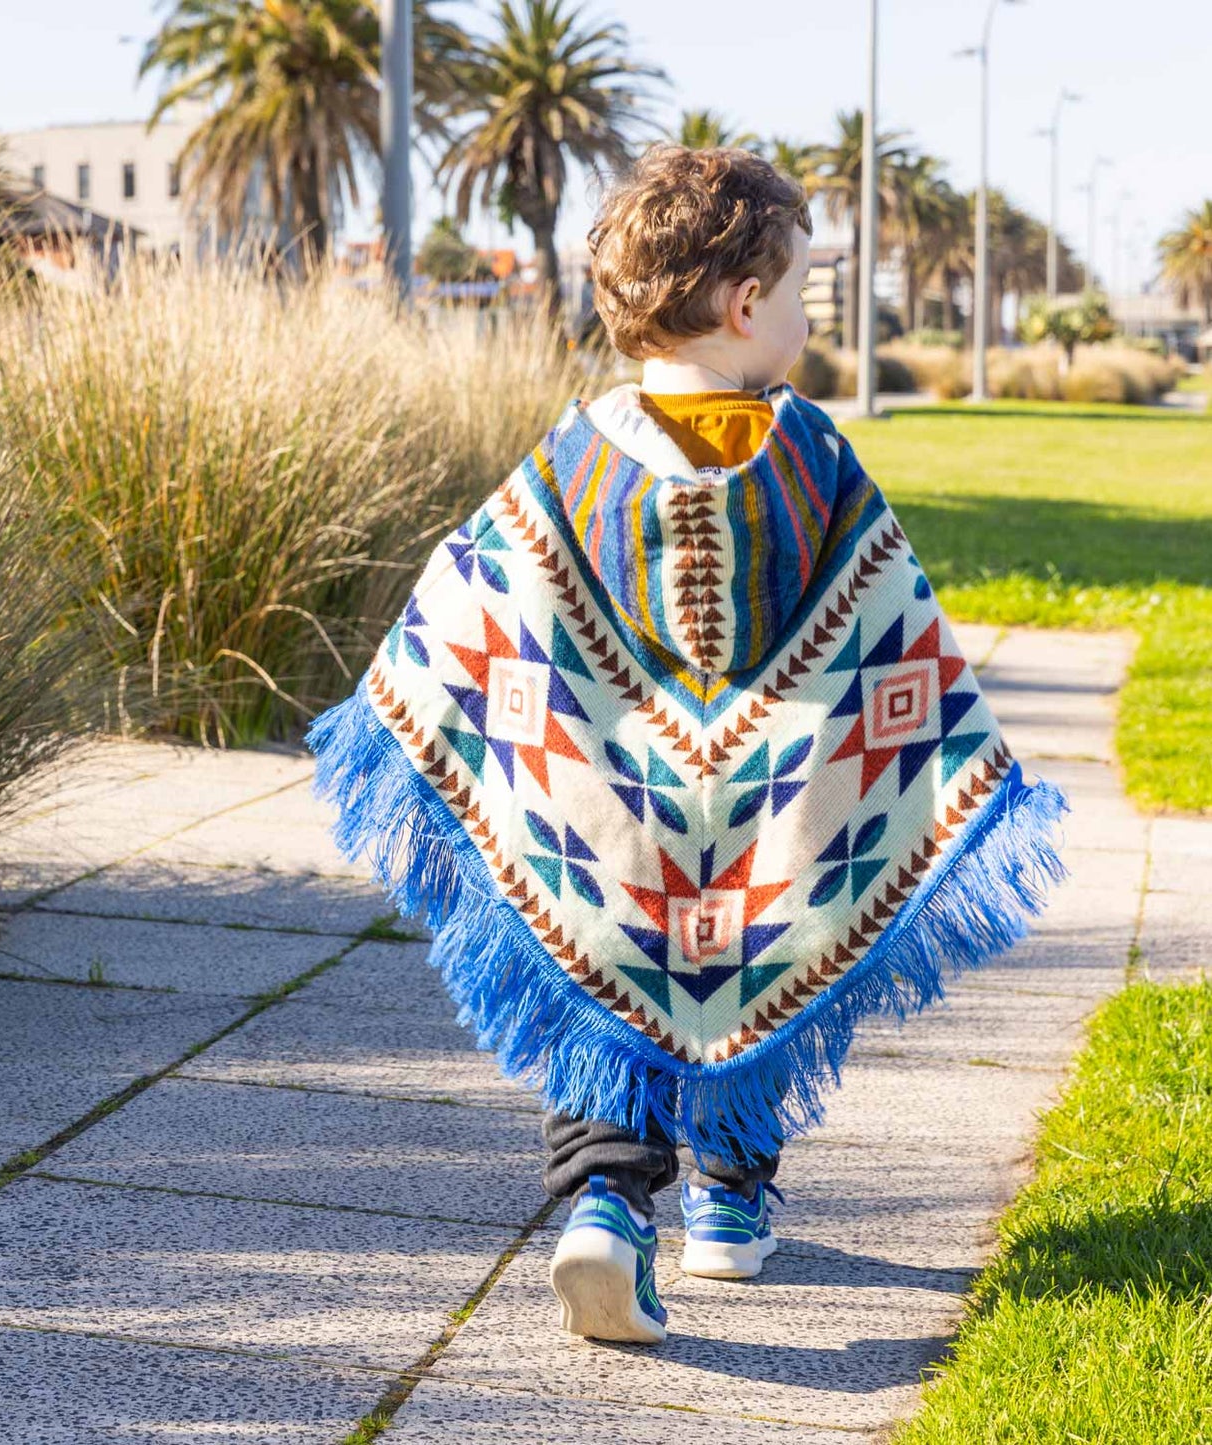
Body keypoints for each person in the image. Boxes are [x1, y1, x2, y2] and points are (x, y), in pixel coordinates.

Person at [310, 144, 1067, 1346]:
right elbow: (887, 624)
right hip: (771, 805)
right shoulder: (810, 455)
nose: (811, 319)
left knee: (590, 961)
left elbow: (470, 606)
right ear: (744, 302)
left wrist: (437, 707)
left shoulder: (569, 461)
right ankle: (727, 1195)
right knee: (771, 921)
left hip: (603, 807)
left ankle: (605, 1203)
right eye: (806, 292)